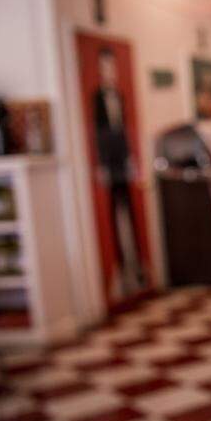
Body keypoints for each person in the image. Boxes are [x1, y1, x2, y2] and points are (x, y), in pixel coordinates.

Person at [92, 47, 147, 300]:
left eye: (112, 66)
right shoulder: (97, 98)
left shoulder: (120, 95)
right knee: (114, 217)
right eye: (105, 66)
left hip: (124, 160)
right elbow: (98, 133)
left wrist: (131, 159)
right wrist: (101, 164)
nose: (110, 71)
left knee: (130, 214)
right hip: (108, 162)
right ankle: (121, 270)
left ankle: (136, 266)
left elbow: (124, 128)